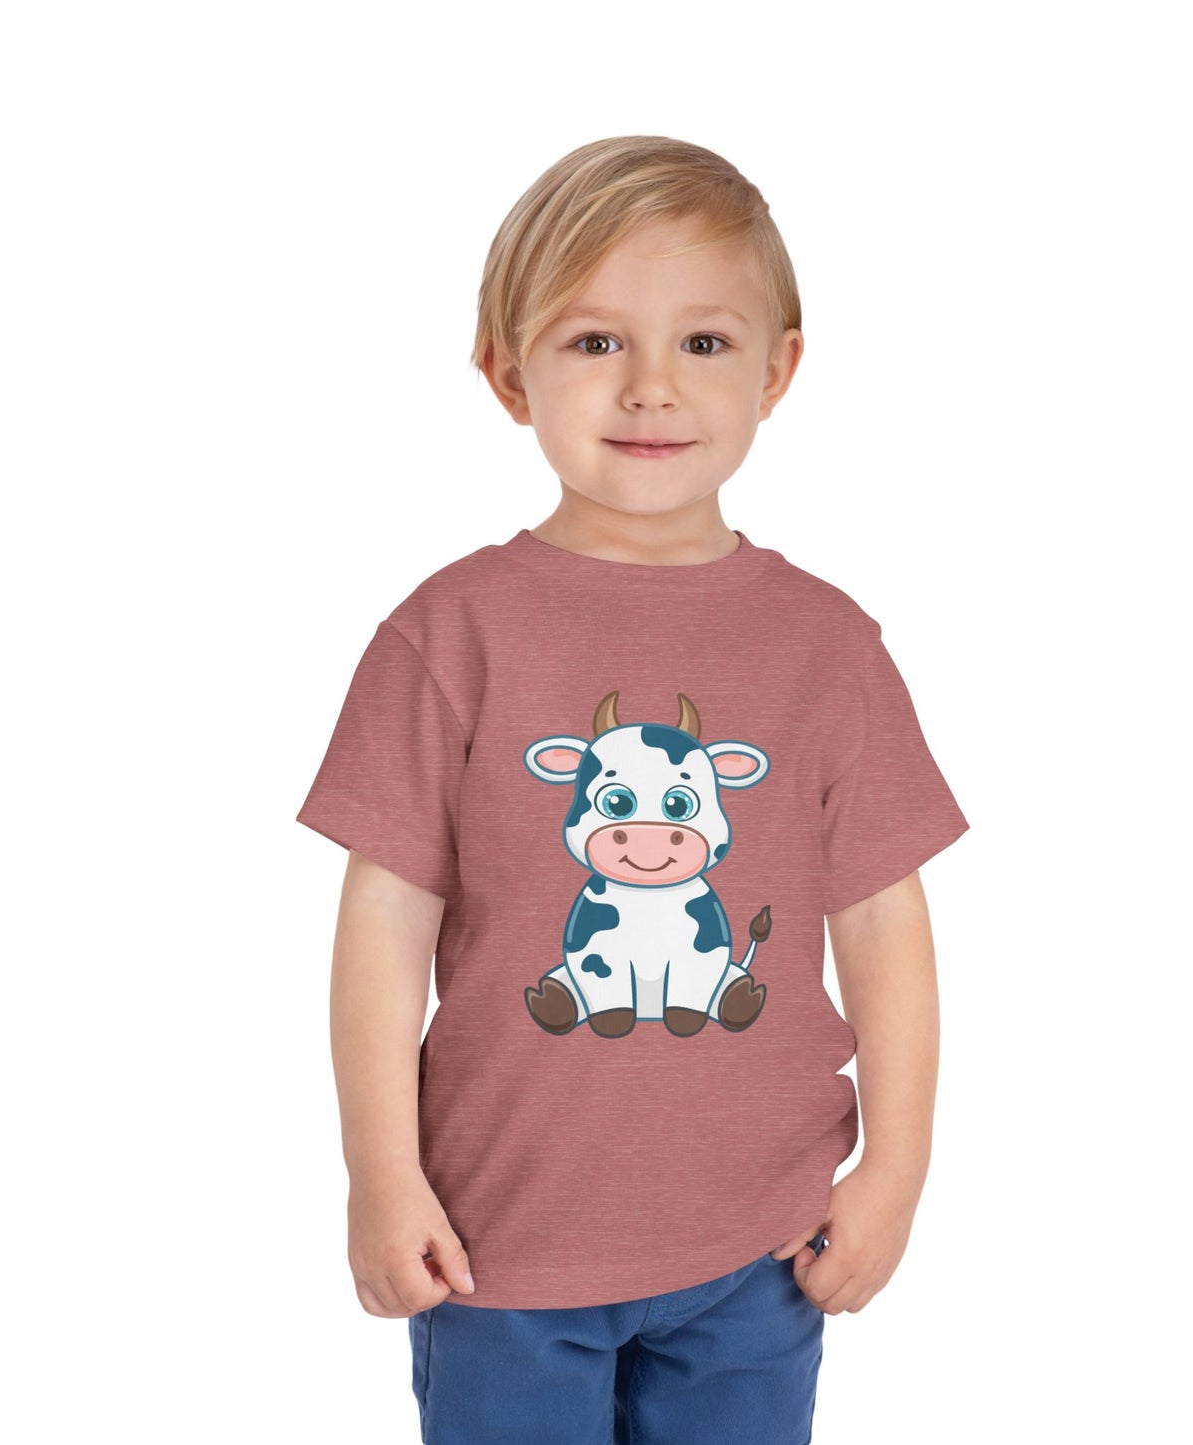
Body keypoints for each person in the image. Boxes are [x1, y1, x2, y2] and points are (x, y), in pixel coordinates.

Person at [295, 135, 970, 1445]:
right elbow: (381, 924)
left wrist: (895, 1166)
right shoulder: (449, 635)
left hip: (760, 1239)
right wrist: (380, 1173)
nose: (652, 385)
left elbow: (885, 920)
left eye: (704, 343)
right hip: (497, 1240)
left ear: (776, 371)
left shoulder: (827, 647)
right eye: (595, 340)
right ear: (509, 372)